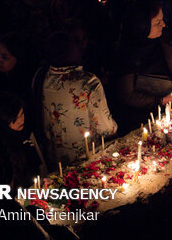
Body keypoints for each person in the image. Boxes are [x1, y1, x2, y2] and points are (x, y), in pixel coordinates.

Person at [113, 0, 172, 132]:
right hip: (142, 120)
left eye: (162, 19)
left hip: (171, 110)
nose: (164, 24)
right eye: (157, 22)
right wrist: (160, 100)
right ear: (142, 25)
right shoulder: (127, 52)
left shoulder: (163, 37)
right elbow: (126, 95)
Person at [40, 32, 117, 165]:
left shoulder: (41, 78)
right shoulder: (87, 82)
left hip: (54, 160)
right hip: (89, 158)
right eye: (76, 42)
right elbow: (106, 129)